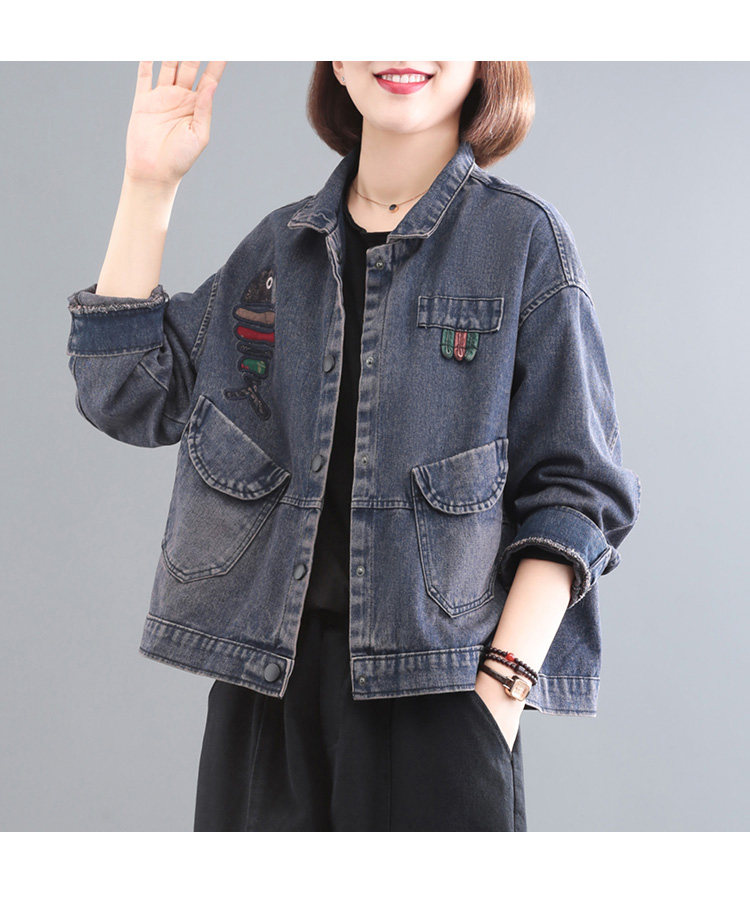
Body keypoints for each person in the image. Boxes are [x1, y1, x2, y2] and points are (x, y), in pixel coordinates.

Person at [65, 61, 641, 831]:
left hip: (441, 701)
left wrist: (499, 693)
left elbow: (578, 493)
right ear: (336, 57)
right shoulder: (279, 251)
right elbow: (125, 390)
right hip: (265, 701)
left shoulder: (520, 241)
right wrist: (148, 184)